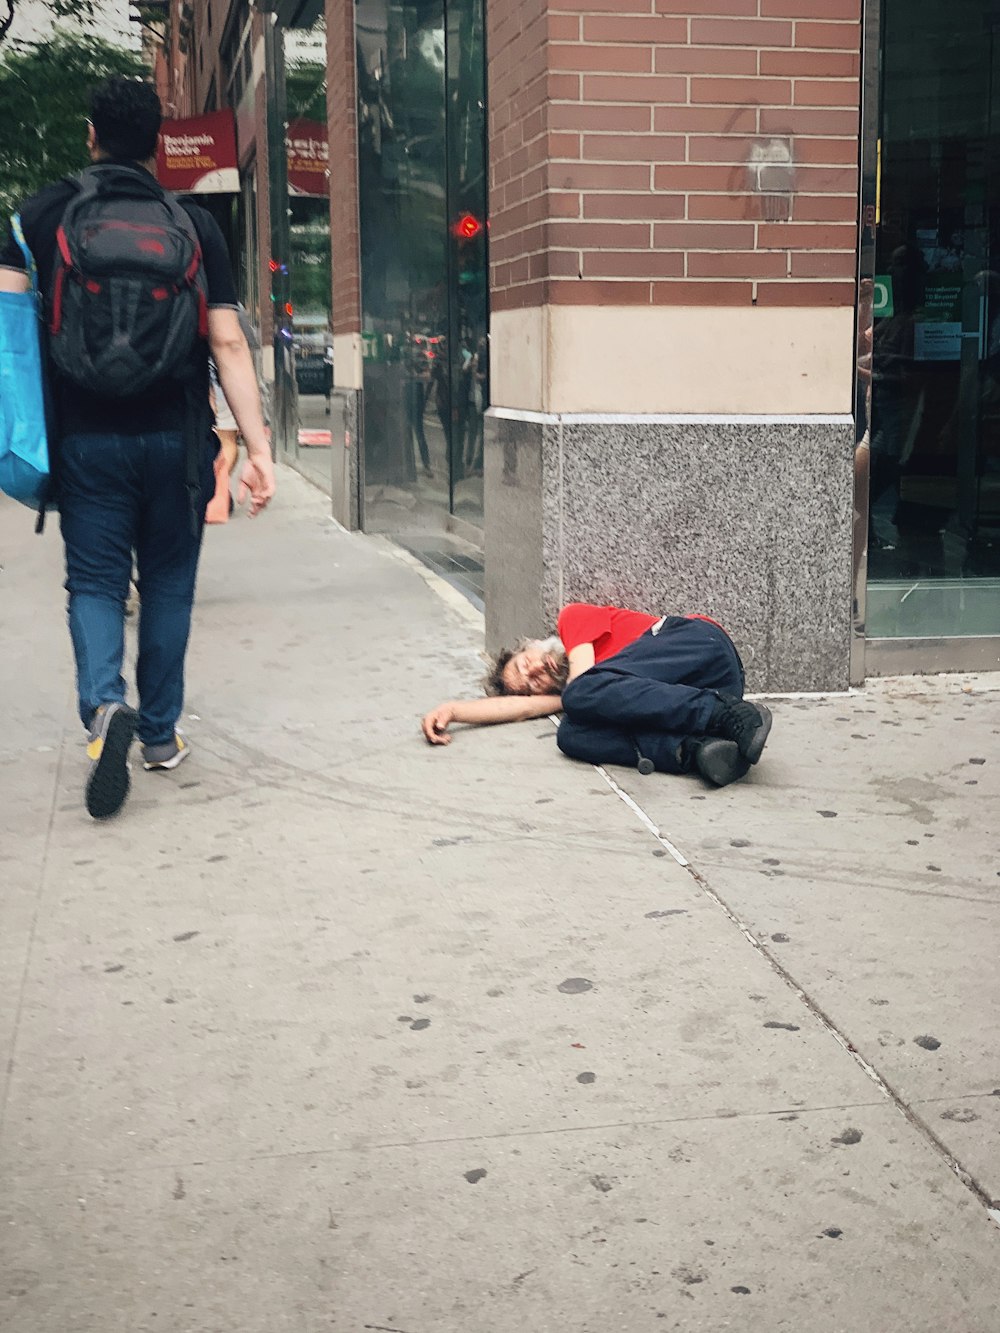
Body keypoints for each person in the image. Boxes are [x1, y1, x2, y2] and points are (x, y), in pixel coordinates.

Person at [0, 76, 276, 820]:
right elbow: (227, 341)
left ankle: (103, 707)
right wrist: (257, 448)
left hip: (86, 438)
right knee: (168, 586)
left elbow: (7, 332)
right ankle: (157, 735)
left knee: (93, 584)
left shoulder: (41, 213)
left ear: (92, 133)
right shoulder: (193, 224)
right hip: (177, 441)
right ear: (158, 141)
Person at [421, 603, 772, 788]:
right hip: (697, 691)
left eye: (524, 663)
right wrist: (455, 709)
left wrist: (576, 692)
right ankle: (697, 752)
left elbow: (581, 684)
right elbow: (524, 709)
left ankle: (725, 715)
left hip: (702, 646)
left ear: (530, 644)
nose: (534, 672)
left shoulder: (573, 620)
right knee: (571, 734)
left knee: (580, 698)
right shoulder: (591, 692)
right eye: (531, 684)